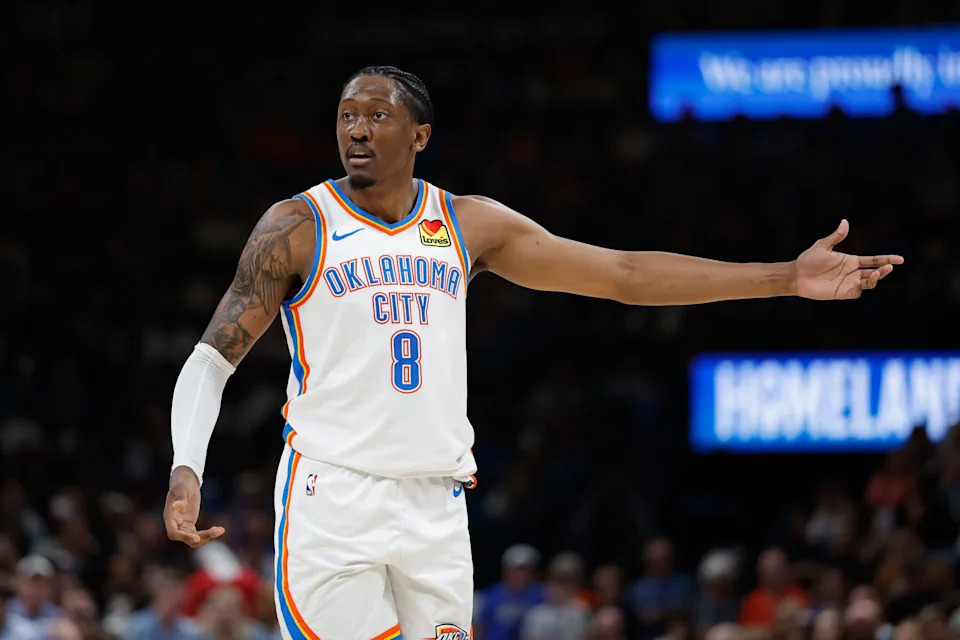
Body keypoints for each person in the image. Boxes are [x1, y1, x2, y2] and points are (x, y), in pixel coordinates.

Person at [162, 64, 903, 639]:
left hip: (437, 502)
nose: (357, 129)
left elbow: (622, 274)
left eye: (378, 115)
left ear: (419, 135)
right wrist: (186, 465)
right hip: (333, 494)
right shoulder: (298, 224)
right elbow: (213, 356)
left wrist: (783, 278)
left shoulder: (468, 224)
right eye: (346, 116)